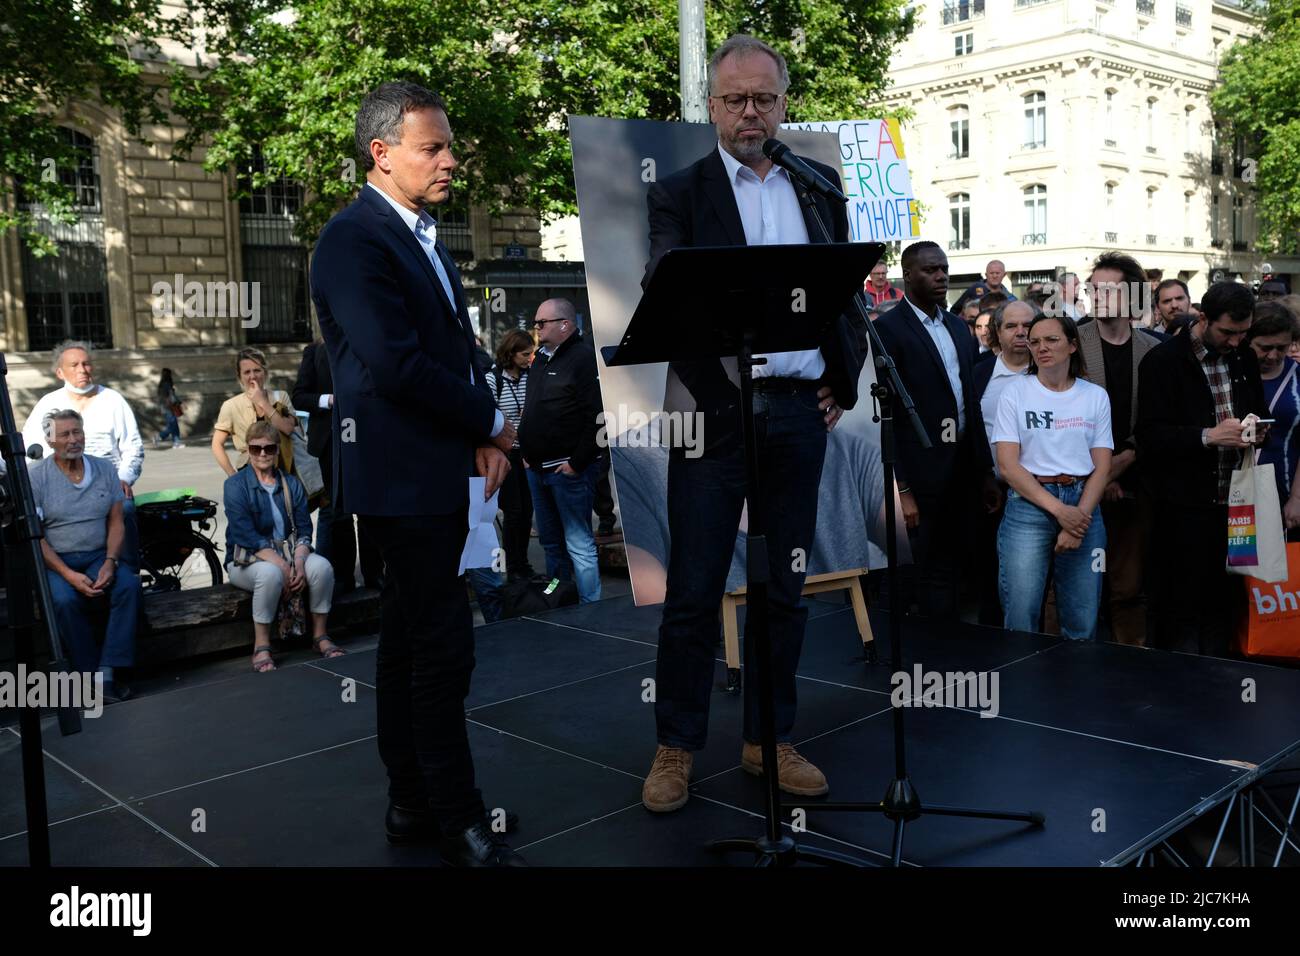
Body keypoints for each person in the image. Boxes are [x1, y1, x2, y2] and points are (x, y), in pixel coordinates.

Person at [637, 34, 861, 814]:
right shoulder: (679, 191)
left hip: (799, 417)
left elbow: (847, 290)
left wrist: (843, 378)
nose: (750, 112)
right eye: (734, 99)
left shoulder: (818, 183)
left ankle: (770, 738)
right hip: (711, 416)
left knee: (785, 590)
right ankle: (677, 747)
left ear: (784, 103)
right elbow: (664, 288)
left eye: (764, 98)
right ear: (710, 106)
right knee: (695, 589)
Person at [310, 81, 523, 866]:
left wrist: (481, 433)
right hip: (402, 479)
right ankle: (459, 815)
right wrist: (491, 422)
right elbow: (398, 366)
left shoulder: (418, 234)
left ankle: (411, 804)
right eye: (432, 148)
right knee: (440, 649)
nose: (449, 160)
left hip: (433, 469)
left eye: (447, 146)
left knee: (408, 643)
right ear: (382, 153)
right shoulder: (353, 240)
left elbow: (453, 351)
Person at [1136, 281, 1268, 656]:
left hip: (1239, 506)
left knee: (1226, 602)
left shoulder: (1243, 357)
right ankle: (1181, 691)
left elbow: (1257, 410)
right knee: (1181, 605)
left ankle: (1219, 686)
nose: (1236, 341)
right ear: (1203, 318)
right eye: (1228, 332)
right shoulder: (1163, 361)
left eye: (1244, 333)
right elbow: (1149, 436)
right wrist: (1208, 436)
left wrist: (1258, 433)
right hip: (1183, 509)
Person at [875, 240, 1000, 620]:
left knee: (955, 566)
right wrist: (902, 489)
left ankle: (948, 649)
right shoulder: (887, 330)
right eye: (931, 270)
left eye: (943, 268)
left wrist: (984, 472)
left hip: (962, 469)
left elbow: (970, 404)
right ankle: (919, 659)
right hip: (918, 473)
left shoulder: (959, 329)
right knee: (918, 571)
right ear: (908, 274)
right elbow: (883, 413)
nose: (942, 276)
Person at [993, 314, 1112, 638]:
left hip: (1083, 502)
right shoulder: (1015, 393)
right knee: (1021, 615)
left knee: (1082, 617)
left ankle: (1076, 686)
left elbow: (1102, 466)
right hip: (1028, 506)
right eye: (1035, 341)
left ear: (1072, 345)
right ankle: (1023, 687)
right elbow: (1008, 466)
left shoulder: (1094, 396)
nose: (1041, 347)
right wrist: (1063, 514)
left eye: (1051, 340)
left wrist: (1079, 520)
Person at [1075, 251, 1161, 646]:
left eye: (1109, 289)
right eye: (1094, 288)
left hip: (1137, 480)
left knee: (1129, 586)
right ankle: (1062, 666)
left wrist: (1126, 458)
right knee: (1073, 586)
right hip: (1078, 480)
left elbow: (1161, 418)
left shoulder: (1154, 349)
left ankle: (1131, 665)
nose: (1099, 296)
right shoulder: (1073, 340)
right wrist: (1101, 471)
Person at [31, 409, 140, 702]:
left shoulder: (104, 469)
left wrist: (110, 561)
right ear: (50, 441)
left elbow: (117, 521)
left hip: (97, 555)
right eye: (64, 434)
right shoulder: (37, 476)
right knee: (64, 600)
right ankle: (88, 676)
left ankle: (108, 671)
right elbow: (36, 537)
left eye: (77, 432)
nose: (73, 440)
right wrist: (68, 575)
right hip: (57, 560)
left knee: (128, 586)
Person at [223, 421, 340, 672]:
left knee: (321, 568)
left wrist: (298, 562)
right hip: (246, 559)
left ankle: (320, 636)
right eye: (256, 449)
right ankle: (262, 645)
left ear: (277, 450)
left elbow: (304, 528)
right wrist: (283, 566)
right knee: (270, 573)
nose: (263, 454)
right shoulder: (235, 485)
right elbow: (246, 537)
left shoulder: (291, 484)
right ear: (248, 450)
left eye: (268, 448)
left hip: (287, 554)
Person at [22, 340, 145, 569]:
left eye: (86, 364)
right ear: (60, 372)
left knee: (125, 510)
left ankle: (127, 572)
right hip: (59, 487)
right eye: (74, 365)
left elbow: (133, 447)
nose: (82, 370)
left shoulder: (113, 401)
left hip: (108, 485)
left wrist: (124, 478)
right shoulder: (48, 405)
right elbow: (32, 447)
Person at [517, 298, 603, 605]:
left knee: (578, 543)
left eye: (542, 323)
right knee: (551, 543)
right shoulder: (540, 358)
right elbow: (533, 406)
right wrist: (527, 454)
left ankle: (592, 606)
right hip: (538, 469)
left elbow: (599, 417)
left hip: (567, 472)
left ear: (564, 325)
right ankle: (559, 601)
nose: (536, 328)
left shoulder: (582, 359)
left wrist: (576, 464)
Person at [292, 338, 383, 595]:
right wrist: (329, 400)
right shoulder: (314, 351)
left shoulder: (365, 345)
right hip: (330, 442)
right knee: (337, 509)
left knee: (369, 510)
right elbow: (299, 396)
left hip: (365, 439)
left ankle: (374, 573)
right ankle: (343, 578)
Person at [973, 301, 1035, 625]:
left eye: (1028, 324)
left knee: (1033, 581)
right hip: (991, 493)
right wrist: (984, 474)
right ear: (997, 332)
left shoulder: (1051, 371)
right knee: (991, 574)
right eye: (1012, 326)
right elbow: (969, 430)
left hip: (1041, 494)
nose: (1021, 332)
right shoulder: (979, 372)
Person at [1247, 301, 1300, 530]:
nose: (1273, 355)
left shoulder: (1297, 377)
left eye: (1282, 347)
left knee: (1283, 564)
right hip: (1232, 494)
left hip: (1284, 494)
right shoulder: (1228, 371)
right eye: (1264, 347)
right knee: (1237, 563)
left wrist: (1297, 499)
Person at [489, 328, 536, 580]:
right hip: (505, 455)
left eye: (531, 354)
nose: (529, 359)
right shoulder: (492, 379)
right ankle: (512, 567)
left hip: (527, 455)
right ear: (511, 352)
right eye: (525, 354)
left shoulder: (533, 377)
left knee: (527, 511)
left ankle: (522, 563)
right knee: (513, 512)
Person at [212, 347, 298, 477]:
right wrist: (232, 475)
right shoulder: (231, 406)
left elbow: (288, 429)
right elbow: (216, 444)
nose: (253, 376)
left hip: (284, 468)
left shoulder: (281, 396)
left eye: (257, 370)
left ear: (265, 372)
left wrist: (263, 402)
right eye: (247, 372)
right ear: (239, 376)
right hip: (249, 471)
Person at [952, 259, 1017, 313]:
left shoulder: (1010, 298)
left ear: (1004, 274)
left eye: (997, 273)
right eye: (991, 273)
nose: (994, 276)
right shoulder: (976, 289)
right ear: (986, 274)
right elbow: (955, 310)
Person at [155, 368, 184, 448]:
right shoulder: (167, 384)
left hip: (164, 407)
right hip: (170, 407)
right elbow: (172, 396)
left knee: (172, 425)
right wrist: (179, 403)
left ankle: (175, 442)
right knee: (173, 425)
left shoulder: (161, 384)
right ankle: (160, 436)